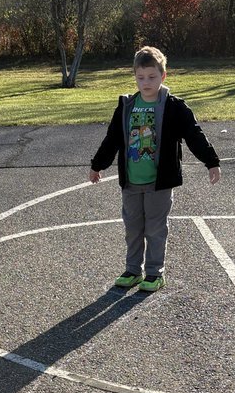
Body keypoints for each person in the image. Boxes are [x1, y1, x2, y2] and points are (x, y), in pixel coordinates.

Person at [89, 45, 222, 291]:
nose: (146, 82)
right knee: (133, 229)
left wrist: (211, 161)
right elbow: (112, 139)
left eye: (152, 77)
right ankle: (132, 270)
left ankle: (154, 273)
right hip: (131, 183)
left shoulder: (174, 107)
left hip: (159, 183)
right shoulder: (127, 106)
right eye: (141, 77)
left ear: (163, 76)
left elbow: (194, 135)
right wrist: (97, 165)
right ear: (135, 77)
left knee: (155, 229)